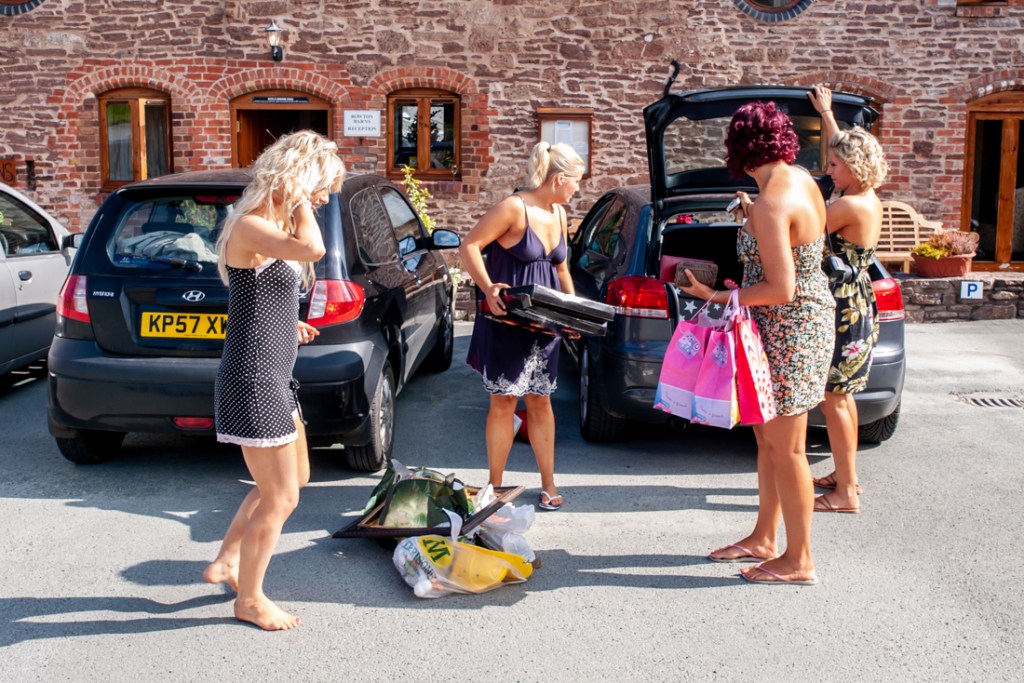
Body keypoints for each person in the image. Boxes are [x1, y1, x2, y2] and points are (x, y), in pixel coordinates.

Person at [680, 102, 835, 585]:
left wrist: (714, 295)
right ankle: (766, 537)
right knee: (767, 439)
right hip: (795, 325)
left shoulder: (772, 202)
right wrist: (752, 218)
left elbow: (780, 288)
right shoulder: (799, 181)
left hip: (789, 330)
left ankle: (800, 559)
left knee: (787, 449)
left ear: (739, 148)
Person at [203, 130, 345, 630]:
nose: (325, 199)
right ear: (299, 179)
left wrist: (291, 324)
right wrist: (302, 198)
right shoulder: (252, 224)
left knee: (292, 482)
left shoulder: (269, 230)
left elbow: (263, 299)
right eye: (321, 187)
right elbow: (313, 249)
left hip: (274, 374)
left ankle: (225, 561)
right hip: (254, 378)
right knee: (282, 497)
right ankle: (250, 599)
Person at [460, 141, 584, 511]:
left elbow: (561, 268)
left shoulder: (559, 213)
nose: (578, 188)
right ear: (559, 178)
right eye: (576, 181)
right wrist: (488, 287)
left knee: (541, 401)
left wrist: (574, 312)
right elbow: (469, 246)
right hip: (508, 320)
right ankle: (493, 488)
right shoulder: (513, 208)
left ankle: (548, 483)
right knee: (504, 401)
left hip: (546, 325)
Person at [807, 85, 888, 514]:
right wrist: (828, 114)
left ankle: (844, 495)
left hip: (842, 311)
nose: (829, 171)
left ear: (853, 167)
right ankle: (845, 477)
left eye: (834, 166)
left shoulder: (847, 206)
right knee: (845, 396)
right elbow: (844, 152)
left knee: (834, 398)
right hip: (856, 304)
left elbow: (804, 223)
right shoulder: (864, 196)